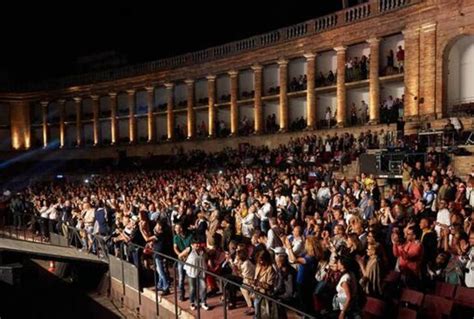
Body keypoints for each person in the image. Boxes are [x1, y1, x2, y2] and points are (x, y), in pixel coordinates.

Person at [184, 237, 210, 311]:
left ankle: (203, 302)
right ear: (192, 245)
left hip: (201, 270)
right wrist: (185, 260)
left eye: (199, 243)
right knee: (193, 288)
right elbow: (180, 255)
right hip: (191, 271)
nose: (198, 245)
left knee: (204, 287)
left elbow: (206, 257)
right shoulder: (189, 250)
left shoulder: (203, 250)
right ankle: (192, 302)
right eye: (196, 244)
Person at [173, 223, 192, 301]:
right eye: (175, 228)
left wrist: (185, 256)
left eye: (178, 228)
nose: (176, 230)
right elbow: (175, 247)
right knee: (181, 278)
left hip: (189, 258)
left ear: (181, 229)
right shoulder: (176, 237)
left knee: (190, 278)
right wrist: (180, 255)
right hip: (181, 259)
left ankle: (192, 295)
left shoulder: (190, 236)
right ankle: (182, 294)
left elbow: (190, 248)